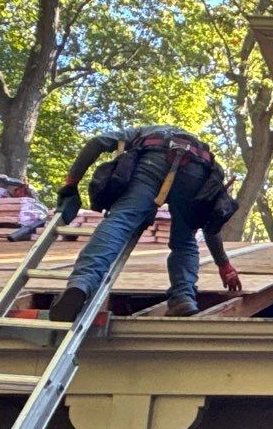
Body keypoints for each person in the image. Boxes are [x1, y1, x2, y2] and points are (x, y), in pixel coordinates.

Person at [47, 124, 244, 321]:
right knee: (185, 240)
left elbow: (97, 142)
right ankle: (183, 299)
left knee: (120, 222)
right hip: (196, 171)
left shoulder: (141, 132)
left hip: (153, 162)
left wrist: (71, 183)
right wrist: (224, 264)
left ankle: (82, 283)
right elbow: (210, 224)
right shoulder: (198, 147)